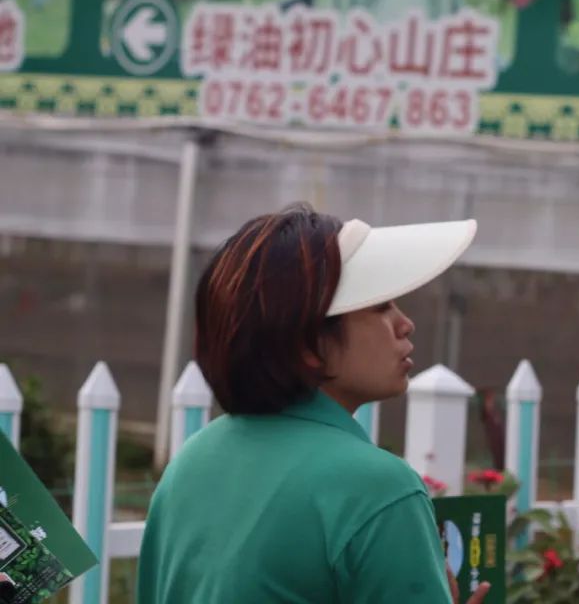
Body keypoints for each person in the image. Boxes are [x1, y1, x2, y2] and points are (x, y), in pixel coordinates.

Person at [137, 203, 489, 604]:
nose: (404, 324)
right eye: (380, 306)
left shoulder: (190, 463)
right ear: (308, 342)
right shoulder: (378, 488)